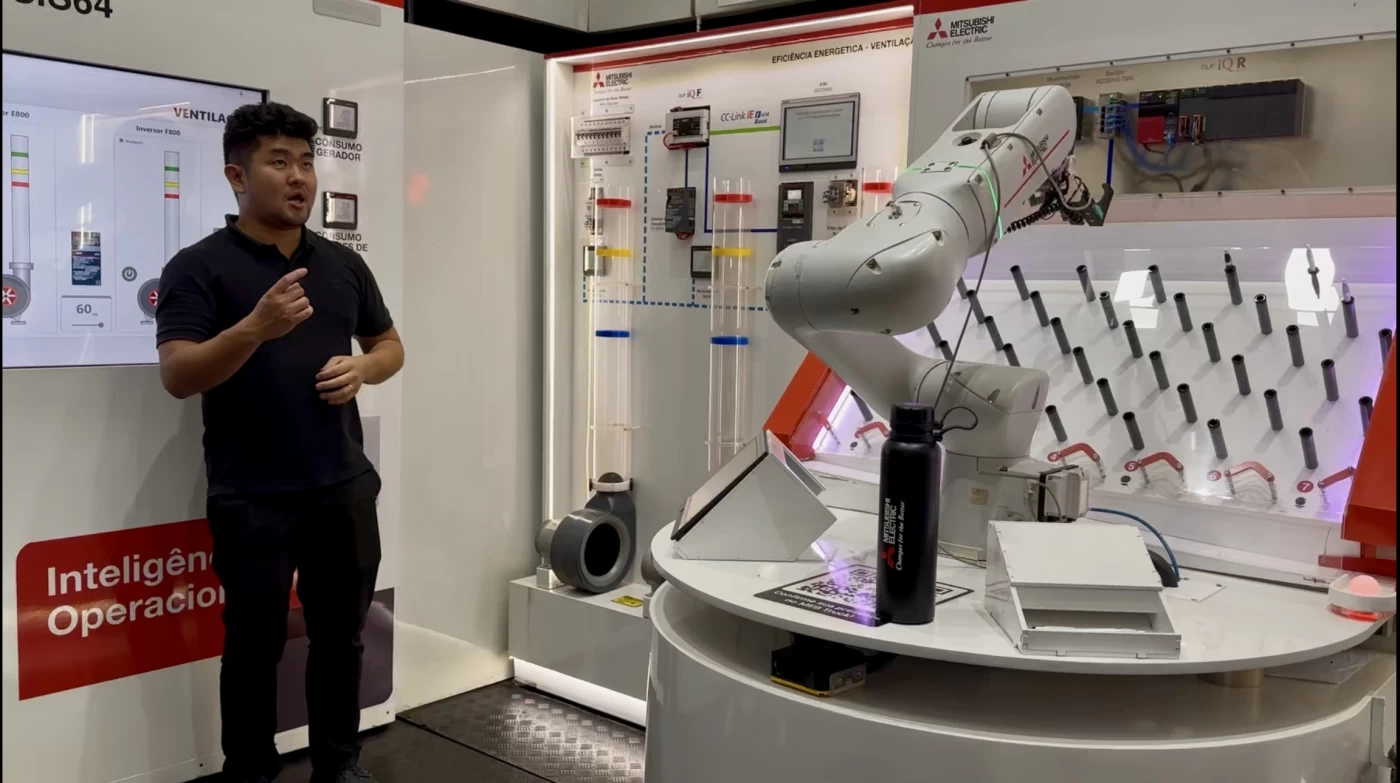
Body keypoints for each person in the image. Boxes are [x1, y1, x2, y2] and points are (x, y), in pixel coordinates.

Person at [155, 102, 403, 783]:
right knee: (253, 647)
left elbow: (389, 345)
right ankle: (250, 773)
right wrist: (254, 328)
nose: (300, 177)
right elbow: (178, 374)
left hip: (342, 486)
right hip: (252, 496)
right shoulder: (198, 267)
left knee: (341, 640)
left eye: (306, 162)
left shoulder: (342, 265)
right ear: (237, 175)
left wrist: (364, 368)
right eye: (279, 162)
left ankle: (340, 766)